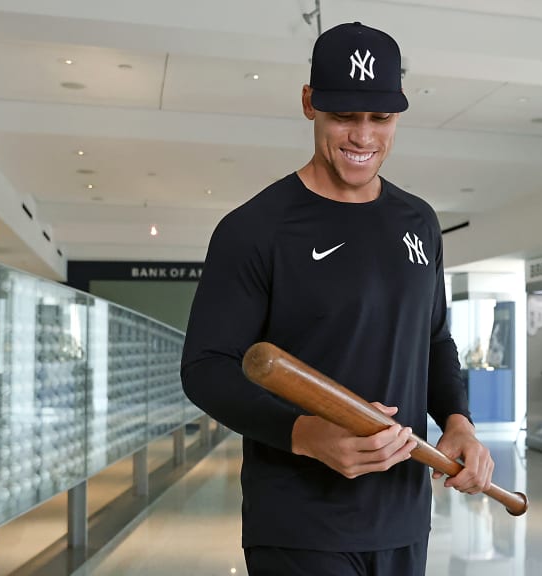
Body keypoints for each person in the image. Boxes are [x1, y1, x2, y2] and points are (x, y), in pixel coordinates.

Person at [181, 21, 494, 576]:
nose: (363, 137)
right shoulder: (255, 229)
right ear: (309, 104)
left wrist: (458, 421)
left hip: (402, 517)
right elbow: (206, 369)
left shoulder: (418, 221)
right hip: (298, 523)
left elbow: (434, 339)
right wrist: (305, 434)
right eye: (344, 116)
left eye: (380, 118)